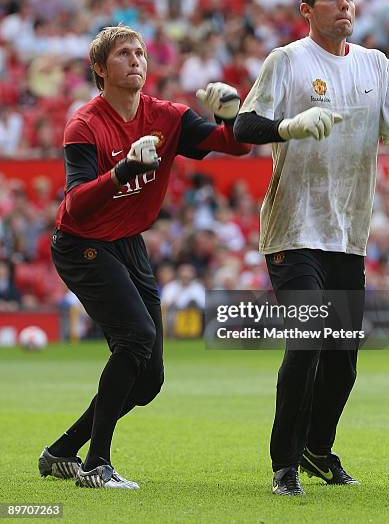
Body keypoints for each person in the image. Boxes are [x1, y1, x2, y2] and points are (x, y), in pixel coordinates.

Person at [234, 0, 389, 496]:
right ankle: (285, 464)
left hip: (348, 234)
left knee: (342, 363)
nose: (344, 5)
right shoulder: (287, 61)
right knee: (306, 342)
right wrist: (287, 127)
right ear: (307, 10)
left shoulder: (375, 64)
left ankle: (319, 449)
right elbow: (244, 125)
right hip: (293, 228)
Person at [38, 24, 250, 489]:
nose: (136, 60)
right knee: (135, 338)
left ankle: (61, 452)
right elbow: (75, 203)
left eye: (140, 53)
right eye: (123, 54)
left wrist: (230, 115)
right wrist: (124, 170)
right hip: (81, 244)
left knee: (149, 380)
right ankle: (97, 464)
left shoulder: (167, 116)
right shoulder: (85, 124)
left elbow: (234, 145)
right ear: (99, 68)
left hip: (128, 243)